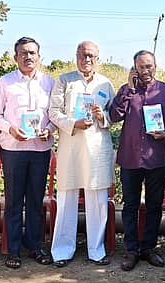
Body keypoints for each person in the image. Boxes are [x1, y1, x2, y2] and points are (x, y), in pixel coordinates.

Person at [109, 50, 165, 271]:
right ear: (134, 68)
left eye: (149, 66)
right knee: (129, 205)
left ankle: (148, 248)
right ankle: (131, 250)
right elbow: (114, 116)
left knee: (154, 206)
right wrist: (128, 89)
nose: (145, 71)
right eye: (141, 67)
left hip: (156, 158)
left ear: (155, 66)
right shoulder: (127, 91)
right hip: (130, 158)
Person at [48, 41, 115, 267]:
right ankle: (62, 251)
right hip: (71, 145)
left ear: (98, 58)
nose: (87, 60)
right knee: (67, 198)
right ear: (76, 56)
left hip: (97, 148)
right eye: (83, 55)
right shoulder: (64, 80)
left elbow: (113, 115)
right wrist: (72, 123)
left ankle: (96, 250)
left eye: (91, 56)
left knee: (97, 200)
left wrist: (101, 115)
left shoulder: (106, 83)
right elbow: (53, 112)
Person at [0, 36, 56, 269]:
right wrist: (10, 128)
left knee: (35, 201)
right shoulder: (6, 82)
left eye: (32, 53)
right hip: (13, 150)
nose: (28, 57)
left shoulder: (49, 83)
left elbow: (55, 115)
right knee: (13, 201)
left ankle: (35, 247)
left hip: (40, 150)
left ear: (39, 56)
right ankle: (13, 250)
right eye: (23, 53)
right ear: (15, 57)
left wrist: (48, 130)